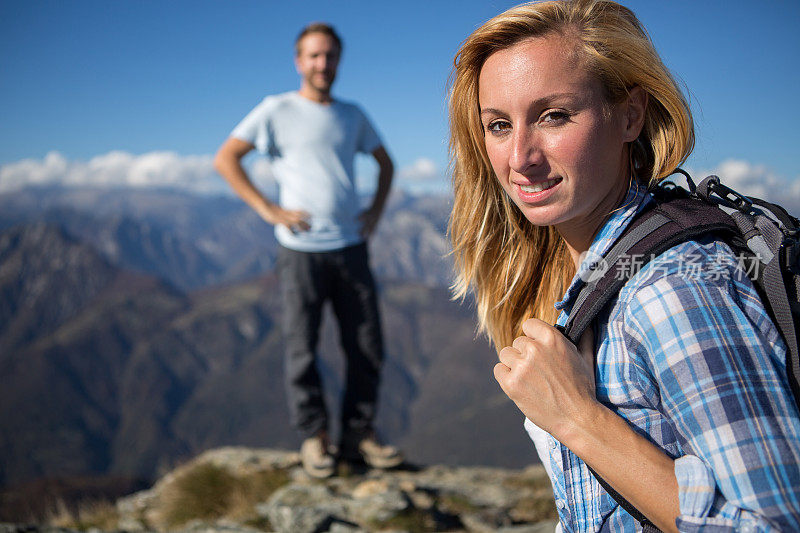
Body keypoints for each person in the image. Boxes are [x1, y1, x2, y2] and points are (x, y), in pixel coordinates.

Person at [447, 1, 800, 531]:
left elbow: (776, 523)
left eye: (554, 115)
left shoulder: (671, 287)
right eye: (498, 125)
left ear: (630, 115)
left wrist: (579, 420)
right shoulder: (591, 273)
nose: (519, 157)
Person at [214, 22, 402, 478]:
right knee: (303, 345)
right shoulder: (274, 110)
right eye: (314, 56)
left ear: (338, 61)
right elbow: (226, 158)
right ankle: (315, 437)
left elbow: (386, 163)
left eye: (330, 56)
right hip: (299, 250)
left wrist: (374, 213)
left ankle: (358, 436)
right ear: (299, 62)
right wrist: (268, 209)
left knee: (366, 346)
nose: (323, 64)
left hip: (351, 246)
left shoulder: (352, 115)